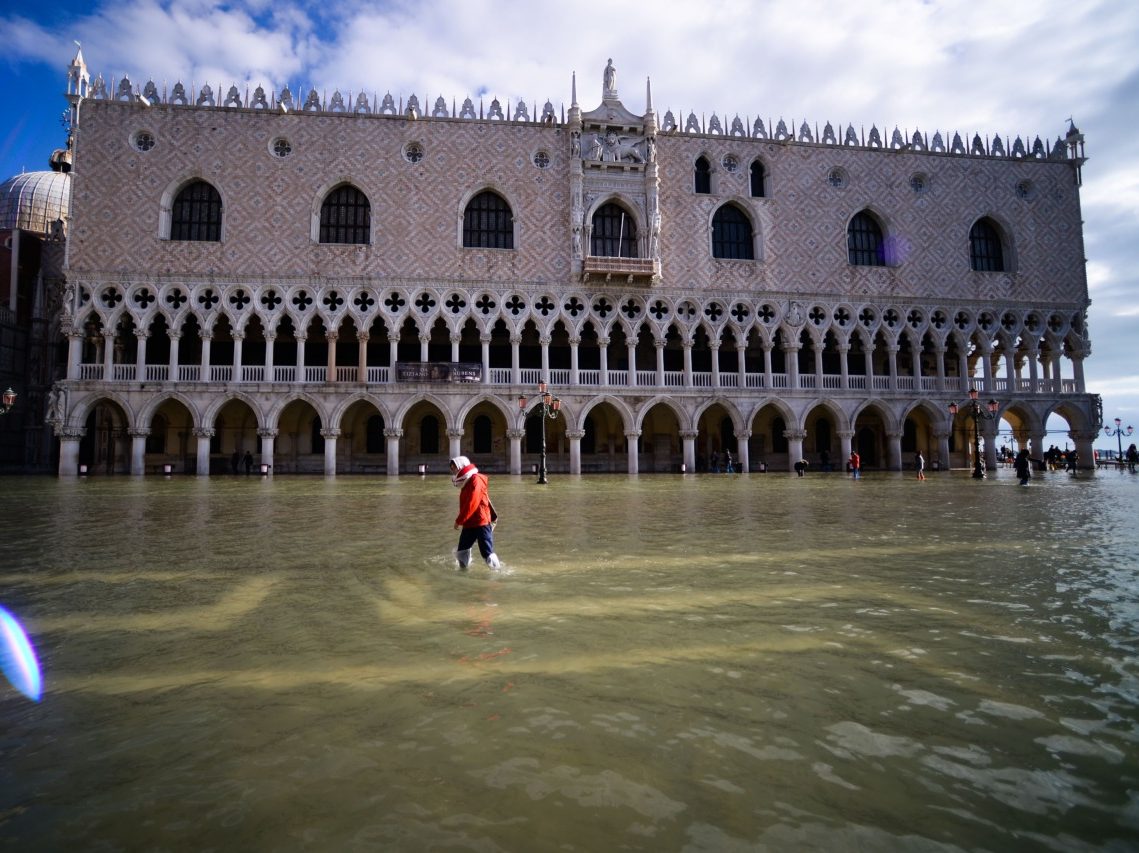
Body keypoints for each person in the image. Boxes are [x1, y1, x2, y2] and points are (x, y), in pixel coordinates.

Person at [449, 455, 502, 570]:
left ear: (461, 466)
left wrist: (459, 520)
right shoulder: (465, 482)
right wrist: (463, 519)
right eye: (452, 468)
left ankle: (498, 574)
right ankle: (463, 572)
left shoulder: (476, 479)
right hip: (469, 522)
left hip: (481, 522)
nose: (453, 471)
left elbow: (472, 502)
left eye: (454, 468)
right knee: (462, 550)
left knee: (486, 552)